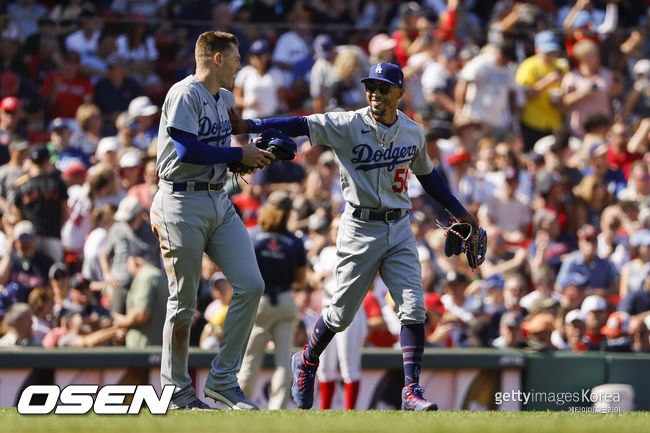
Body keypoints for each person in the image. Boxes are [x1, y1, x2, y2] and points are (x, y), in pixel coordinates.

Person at [229, 62, 479, 411]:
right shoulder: (348, 123)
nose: (374, 93)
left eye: (382, 87)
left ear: (399, 93)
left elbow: (429, 177)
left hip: (399, 226)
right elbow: (301, 124)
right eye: (370, 87)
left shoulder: (412, 132)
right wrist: (252, 125)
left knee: (413, 309)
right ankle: (308, 359)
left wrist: (462, 213)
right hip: (359, 226)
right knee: (340, 315)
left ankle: (411, 390)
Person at [149, 31, 274, 411]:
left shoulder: (224, 97)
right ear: (217, 59)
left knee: (251, 284)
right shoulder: (183, 93)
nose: (241, 65)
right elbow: (187, 149)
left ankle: (222, 379)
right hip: (179, 201)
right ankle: (177, 393)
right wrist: (239, 155)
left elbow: (237, 129)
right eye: (236, 58)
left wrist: (266, 145)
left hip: (217, 199)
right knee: (183, 304)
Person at [238, 191, 307, 410]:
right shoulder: (294, 241)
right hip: (285, 300)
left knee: (250, 358)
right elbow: (300, 279)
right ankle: (277, 407)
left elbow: (241, 271)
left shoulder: (252, 235)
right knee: (284, 359)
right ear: (288, 214)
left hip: (260, 301)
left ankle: (241, 404)